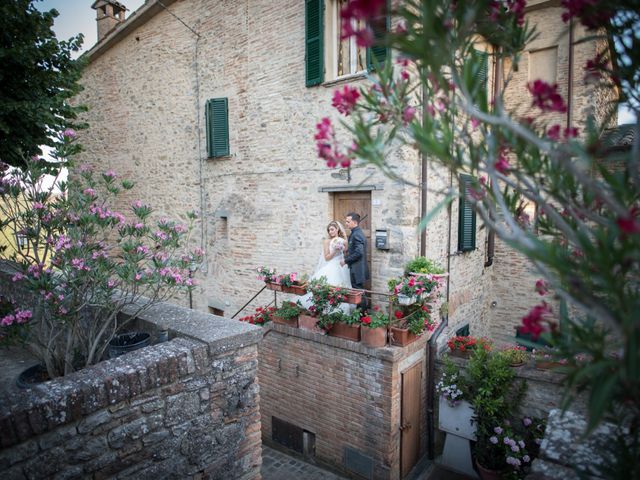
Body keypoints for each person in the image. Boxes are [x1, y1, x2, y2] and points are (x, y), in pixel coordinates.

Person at [300, 221, 352, 313]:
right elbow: (327, 258)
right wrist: (335, 250)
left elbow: (346, 251)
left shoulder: (342, 240)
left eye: (332, 229)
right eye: (329, 230)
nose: (330, 232)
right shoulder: (327, 241)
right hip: (332, 266)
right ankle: (325, 309)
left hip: (342, 267)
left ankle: (340, 310)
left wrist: (344, 240)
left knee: (343, 289)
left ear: (337, 229)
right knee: (330, 288)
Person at [341, 212, 369, 311]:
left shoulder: (357, 234)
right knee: (359, 293)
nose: (346, 223)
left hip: (357, 270)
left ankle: (363, 317)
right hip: (356, 269)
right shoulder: (354, 233)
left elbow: (359, 253)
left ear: (354, 222)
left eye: (348, 222)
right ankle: (362, 316)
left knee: (359, 294)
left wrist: (346, 260)